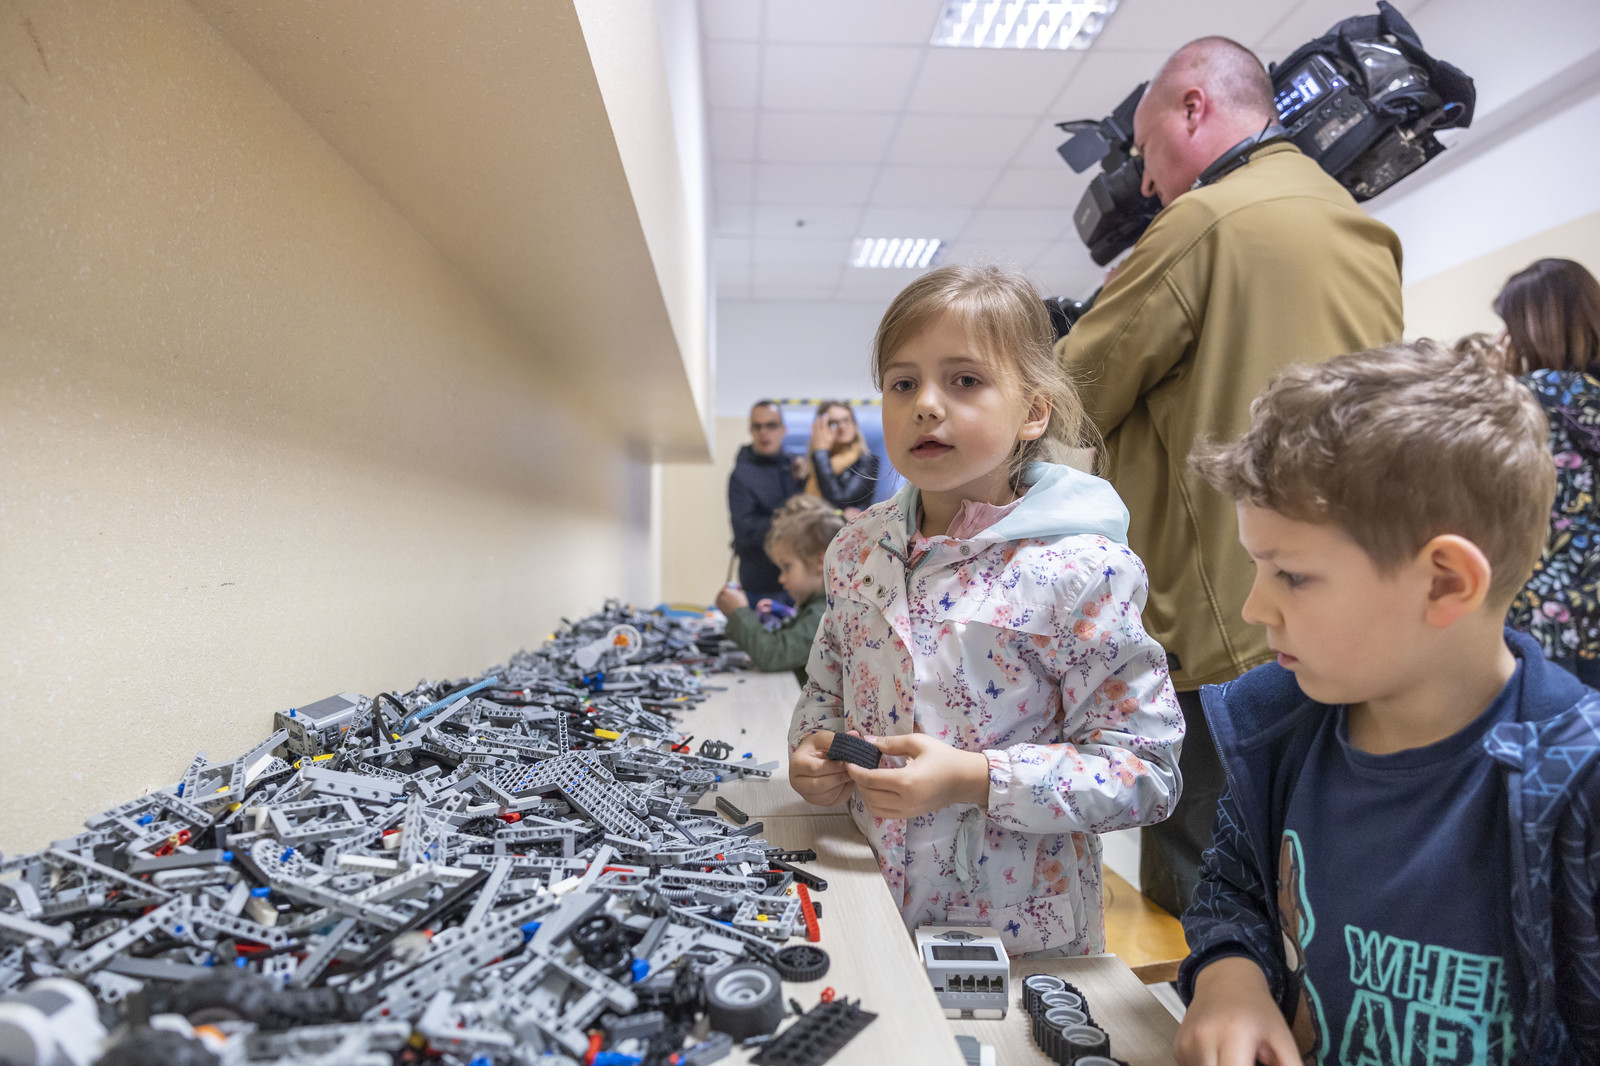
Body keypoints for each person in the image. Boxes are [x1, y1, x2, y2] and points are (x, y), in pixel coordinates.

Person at [1055, 35, 1405, 917]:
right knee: (1314, 882)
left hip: (1221, 635)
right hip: (1350, 616)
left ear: (1194, 107)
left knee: (1206, 898)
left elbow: (1068, 395)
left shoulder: (1202, 223)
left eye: (1145, 150)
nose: (1143, 182)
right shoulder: (1357, 224)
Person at [1175, 341, 1599, 1063]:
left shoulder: (1577, 783)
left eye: (1292, 575)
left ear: (1444, 583)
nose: (1254, 608)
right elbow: (1233, 890)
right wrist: (1229, 980)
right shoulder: (1279, 729)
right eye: (1257, 567)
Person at [786, 264, 1184, 956]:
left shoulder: (1082, 572)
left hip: (1020, 938)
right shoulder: (855, 551)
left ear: (1033, 411)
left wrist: (977, 779)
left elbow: (1144, 773)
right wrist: (812, 752)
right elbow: (826, 690)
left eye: (965, 380)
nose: (926, 404)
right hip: (864, 903)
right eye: (902, 383)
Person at [1495, 258, 1600, 687]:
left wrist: (1496, 376)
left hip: (1553, 611)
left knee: (1562, 724)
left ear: (1532, 326)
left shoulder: (1531, 394)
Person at [715, 496, 844, 686]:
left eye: (786, 567)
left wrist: (738, 613)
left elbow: (773, 654)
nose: (781, 578)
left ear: (819, 562)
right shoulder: (820, 607)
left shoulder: (826, 616)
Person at [727, 399, 800, 604]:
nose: (764, 432)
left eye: (771, 425)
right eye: (757, 426)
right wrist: (787, 521)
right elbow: (745, 531)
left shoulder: (794, 467)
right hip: (760, 586)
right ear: (750, 430)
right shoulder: (741, 474)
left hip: (799, 585)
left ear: (783, 429)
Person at [805, 400, 879, 516]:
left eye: (846, 420)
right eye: (833, 423)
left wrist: (821, 453)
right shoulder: (811, 466)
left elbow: (840, 500)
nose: (842, 427)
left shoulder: (866, 461)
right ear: (821, 428)